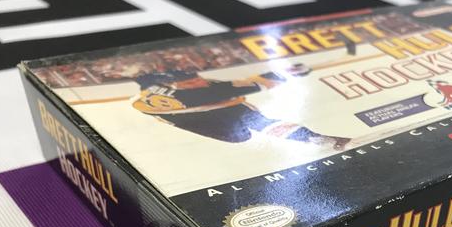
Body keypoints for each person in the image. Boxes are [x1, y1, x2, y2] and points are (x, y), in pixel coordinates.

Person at [131, 65, 350, 149]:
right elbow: (236, 88)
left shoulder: (150, 90)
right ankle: (317, 139)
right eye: (190, 81)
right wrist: (284, 73)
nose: (197, 81)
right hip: (214, 126)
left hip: (203, 114)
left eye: (195, 78)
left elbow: (231, 87)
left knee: (255, 119)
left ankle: (317, 138)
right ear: (174, 84)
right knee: (244, 130)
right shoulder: (194, 93)